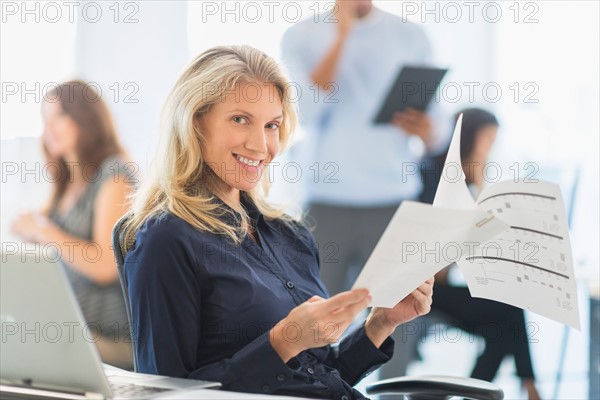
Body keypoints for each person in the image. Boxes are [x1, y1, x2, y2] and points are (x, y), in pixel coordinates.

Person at [120, 45, 434, 400]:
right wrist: (284, 341)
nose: (260, 144)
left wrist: (381, 323)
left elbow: (320, 376)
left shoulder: (289, 233)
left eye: (272, 125)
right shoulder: (168, 238)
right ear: (195, 122)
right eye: (240, 119)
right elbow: (167, 394)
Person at [280, 0, 446, 379]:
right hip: (326, 198)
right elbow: (304, 114)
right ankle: (313, 388)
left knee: (399, 316)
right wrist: (342, 35)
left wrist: (426, 130)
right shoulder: (300, 36)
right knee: (316, 313)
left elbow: (437, 131)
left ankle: (394, 391)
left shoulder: (409, 35)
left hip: (393, 197)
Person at [416, 108, 542, 399]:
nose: (489, 150)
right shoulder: (434, 177)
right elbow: (437, 259)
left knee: (501, 331)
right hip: (426, 289)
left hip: (444, 285)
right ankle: (530, 389)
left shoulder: (467, 181)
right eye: (487, 140)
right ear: (468, 138)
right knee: (510, 311)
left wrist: (480, 185)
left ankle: (482, 393)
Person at [10, 80, 134, 369]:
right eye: (45, 120)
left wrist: (44, 231)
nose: (48, 129)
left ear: (85, 119)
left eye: (59, 117)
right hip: (72, 328)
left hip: (110, 336)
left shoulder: (114, 174)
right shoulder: (66, 184)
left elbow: (105, 265)